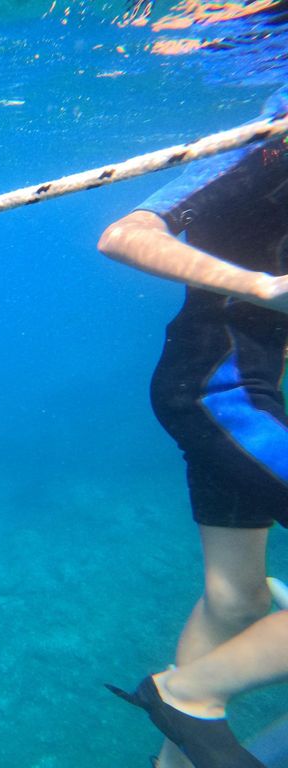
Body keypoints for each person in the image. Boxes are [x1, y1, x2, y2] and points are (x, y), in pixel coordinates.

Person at [98, 85, 288, 768]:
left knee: (234, 600)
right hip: (216, 390)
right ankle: (187, 695)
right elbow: (124, 233)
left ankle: (175, 763)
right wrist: (262, 287)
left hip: (248, 394)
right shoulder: (265, 150)